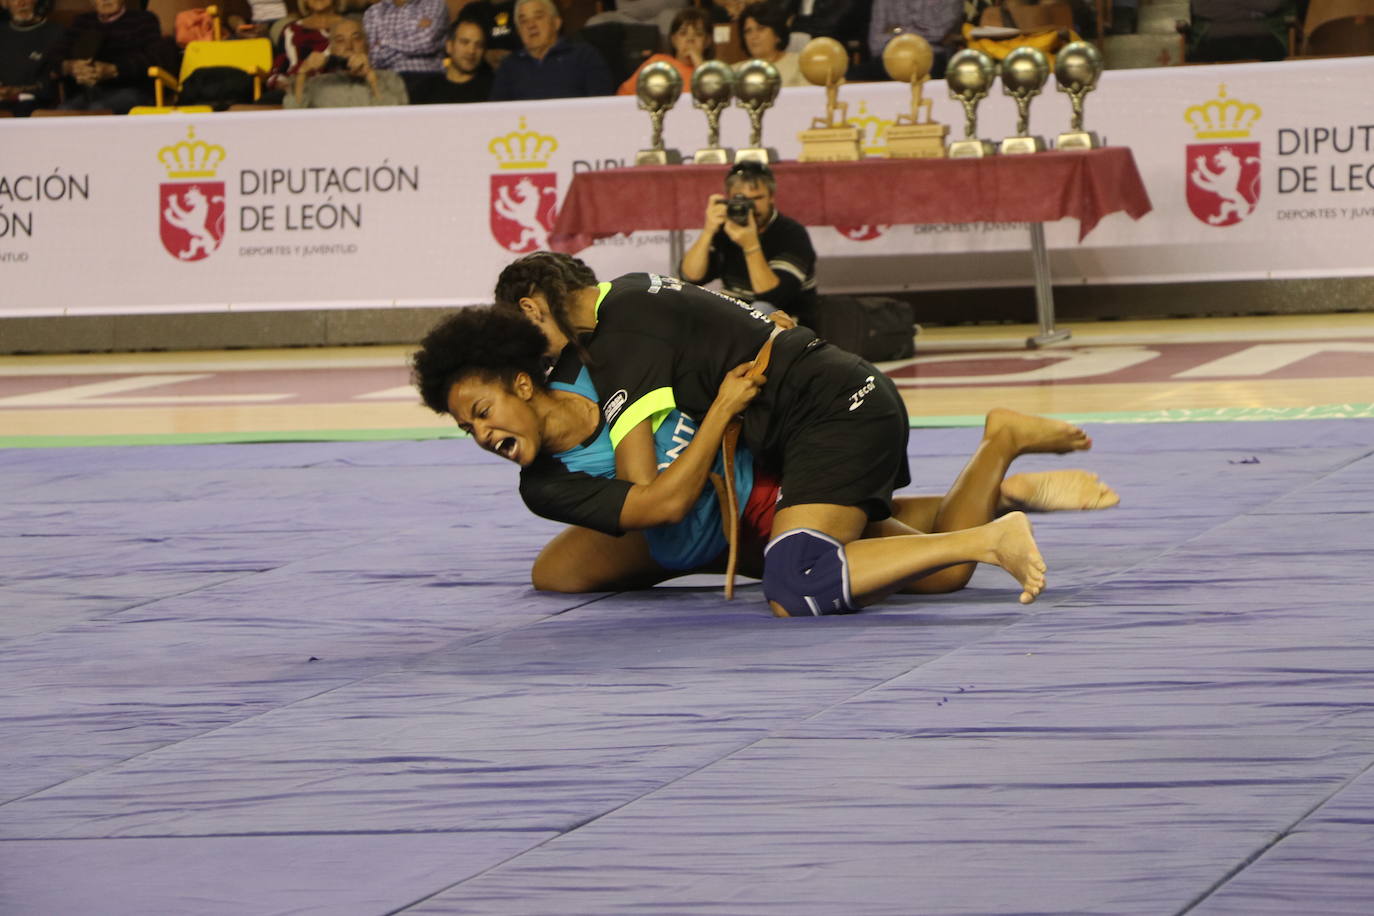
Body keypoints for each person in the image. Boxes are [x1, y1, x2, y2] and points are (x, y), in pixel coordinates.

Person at [475, 253, 1122, 615]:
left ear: (536, 308)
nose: (536, 360)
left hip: (827, 412)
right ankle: (1000, 450)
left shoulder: (615, 345)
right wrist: (761, 326)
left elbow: (650, 491)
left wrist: (721, 410)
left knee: (798, 577)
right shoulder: (640, 288)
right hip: (815, 414)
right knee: (934, 576)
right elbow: (728, 305)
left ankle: (990, 533)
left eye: (528, 342)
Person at [679, 159, 818, 327]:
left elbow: (774, 296)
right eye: (742, 200)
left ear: (771, 198)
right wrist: (708, 231)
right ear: (728, 200)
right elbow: (690, 277)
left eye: (757, 198)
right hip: (735, 319)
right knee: (686, 310)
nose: (751, 207)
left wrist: (750, 246)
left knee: (760, 311)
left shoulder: (791, 233)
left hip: (787, 323)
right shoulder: (726, 229)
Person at [48, 0, 163, 113]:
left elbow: (154, 58)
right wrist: (70, 67)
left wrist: (114, 70)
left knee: (98, 109)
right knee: (64, 111)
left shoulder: (144, 20)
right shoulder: (82, 22)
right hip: (88, 93)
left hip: (132, 90)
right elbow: (54, 56)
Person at [489, 0, 612, 101]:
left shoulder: (584, 56)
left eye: (538, 17)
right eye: (523, 21)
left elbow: (602, 107)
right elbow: (498, 114)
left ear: (556, 23)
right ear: (519, 31)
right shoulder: (509, 66)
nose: (531, 25)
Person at [284, 18, 408, 107]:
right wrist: (302, 73)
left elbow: (394, 119)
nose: (349, 46)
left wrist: (372, 79)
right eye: (340, 41)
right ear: (332, 50)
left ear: (367, 46)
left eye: (356, 38)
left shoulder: (391, 79)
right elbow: (293, 115)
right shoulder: (317, 83)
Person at [616, 5, 710, 96]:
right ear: (673, 39)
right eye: (683, 33)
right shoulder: (657, 63)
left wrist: (699, 64)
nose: (690, 39)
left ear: (707, 41)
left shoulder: (714, 71)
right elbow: (625, 93)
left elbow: (716, 101)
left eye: (698, 34)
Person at [361, 0, 447, 97]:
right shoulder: (373, 12)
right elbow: (374, 56)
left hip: (429, 76)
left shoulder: (434, 4)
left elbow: (427, 41)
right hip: (389, 79)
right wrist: (414, 34)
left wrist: (384, 42)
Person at [409, 13, 492, 102]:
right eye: (464, 42)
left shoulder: (494, 88)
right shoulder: (425, 90)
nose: (471, 51)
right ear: (449, 46)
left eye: (479, 45)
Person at [0, 0, 63, 115]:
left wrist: (17, 91)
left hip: (35, 102)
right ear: (4, 3)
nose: (21, 3)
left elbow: (52, 82)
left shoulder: (56, 33)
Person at [268, 0, 343, 94]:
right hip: (293, 90)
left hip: (336, 89)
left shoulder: (350, 28)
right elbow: (278, 71)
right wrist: (284, 84)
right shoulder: (290, 30)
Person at [739, 1, 804, 87]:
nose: (754, 36)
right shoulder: (737, 72)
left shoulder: (799, 65)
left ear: (777, 35)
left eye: (761, 29)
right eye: (748, 31)